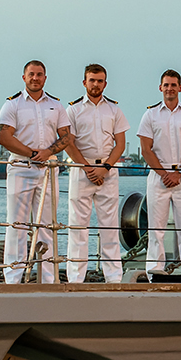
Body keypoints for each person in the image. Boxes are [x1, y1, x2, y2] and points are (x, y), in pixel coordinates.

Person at [0, 60, 70, 284]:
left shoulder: (56, 106)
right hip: (21, 167)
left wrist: (48, 152)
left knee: (47, 225)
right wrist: (32, 153)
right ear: (24, 77)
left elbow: (67, 136)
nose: (35, 78)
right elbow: (5, 137)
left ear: (45, 78)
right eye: (31, 74)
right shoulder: (12, 105)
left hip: (48, 170)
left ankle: (48, 279)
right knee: (17, 225)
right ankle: (13, 278)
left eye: (39, 75)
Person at [62, 64, 128, 283]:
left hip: (107, 170)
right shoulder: (73, 110)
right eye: (92, 80)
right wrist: (87, 168)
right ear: (84, 82)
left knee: (109, 228)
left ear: (105, 84)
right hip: (82, 170)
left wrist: (105, 167)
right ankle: (75, 278)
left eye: (100, 81)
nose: (96, 84)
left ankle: (114, 278)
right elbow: (68, 143)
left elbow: (120, 144)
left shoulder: (114, 110)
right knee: (77, 227)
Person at [138, 69, 181, 274]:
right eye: (166, 85)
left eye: (173, 85)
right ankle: (154, 271)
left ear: (180, 88)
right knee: (156, 230)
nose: (169, 88)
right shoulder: (150, 115)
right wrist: (164, 174)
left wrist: (179, 172)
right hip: (158, 177)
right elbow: (146, 149)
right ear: (160, 87)